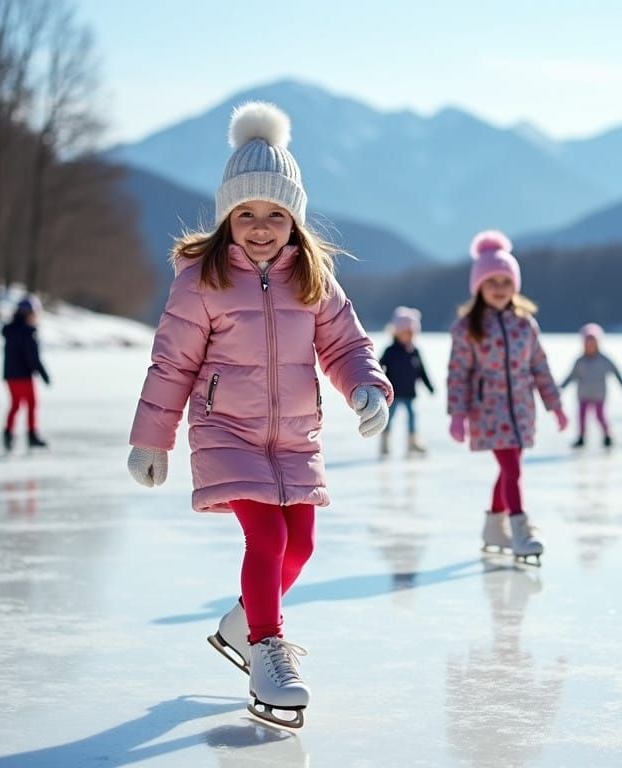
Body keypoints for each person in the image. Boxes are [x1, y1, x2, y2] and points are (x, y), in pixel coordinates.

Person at [125, 102, 392, 729]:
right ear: (227, 217)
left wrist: (365, 388)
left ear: (295, 218)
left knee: (300, 545)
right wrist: (152, 441)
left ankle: (242, 625)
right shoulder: (202, 280)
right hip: (228, 432)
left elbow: (346, 344)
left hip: (295, 436)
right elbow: (171, 365)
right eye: (247, 213)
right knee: (266, 537)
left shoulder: (314, 278)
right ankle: (267, 649)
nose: (262, 226)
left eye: (276, 213)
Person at [447, 230, 567, 564]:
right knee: (512, 470)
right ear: (479, 286)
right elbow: (458, 374)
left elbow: (540, 367)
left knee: (509, 470)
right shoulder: (468, 328)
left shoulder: (525, 325)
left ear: (515, 284)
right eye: (492, 281)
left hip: (521, 410)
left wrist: (554, 405)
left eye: (505, 281)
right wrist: (457, 415)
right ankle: (520, 530)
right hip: (489, 411)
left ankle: (493, 529)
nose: (499, 288)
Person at [561, 323, 622, 449]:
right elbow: (571, 376)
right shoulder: (580, 361)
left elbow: (616, 372)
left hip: (599, 395)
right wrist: (561, 387)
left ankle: (607, 435)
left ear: (598, 343)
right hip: (583, 395)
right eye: (587, 341)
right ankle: (581, 437)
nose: (590, 345)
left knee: (600, 416)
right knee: (581, 417)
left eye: (593, 341)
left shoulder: (604, 360)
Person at [378, 306, 434, 457]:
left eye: (412, 332)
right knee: (389, 418)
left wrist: (429, 386)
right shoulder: (390, 351)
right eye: (406, 332)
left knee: (412, 417)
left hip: (409, 392)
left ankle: (412, 442)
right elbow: (378, 367)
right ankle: (385, 442)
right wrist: (377, 383)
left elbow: (422, 371)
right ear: (397, 332)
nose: (409, 335)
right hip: (393, 393)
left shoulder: (415, 351)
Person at [1, 296, 50, 452]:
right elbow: (32, 357)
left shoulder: (11, 330)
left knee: (15, 405)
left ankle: (8, 434)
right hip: (23, 376)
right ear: (28, 313)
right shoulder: (27, 332)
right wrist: (43, 373)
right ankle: (32, 435)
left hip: (10, 375)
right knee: (31, 404)